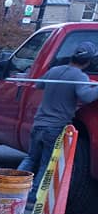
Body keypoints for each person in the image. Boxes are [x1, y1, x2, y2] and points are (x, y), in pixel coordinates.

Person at [18, 41, 98, 201]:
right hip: (54, 127)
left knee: (31, 158)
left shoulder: (55, 70)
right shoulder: (79, 76)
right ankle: (32, 199)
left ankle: (15, 189)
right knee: (45, 164)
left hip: (39, 124)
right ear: (89, 61)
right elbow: (86, 96)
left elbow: (38, 85)